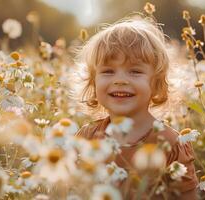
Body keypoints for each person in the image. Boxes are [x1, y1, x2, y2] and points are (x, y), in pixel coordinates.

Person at [74, 14, 198, 199]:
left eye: (135, 71)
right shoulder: (86, 138)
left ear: (156, 83)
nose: (120, 80)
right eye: (108, 71)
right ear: (93, 82)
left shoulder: (171, 144)